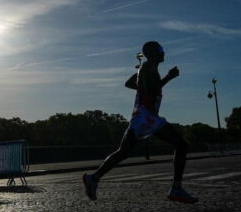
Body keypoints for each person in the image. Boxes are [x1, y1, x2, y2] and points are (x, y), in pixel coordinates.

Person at [83, 41, 198, 203]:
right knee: (181, 145)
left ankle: (93, 178)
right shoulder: (148, 68)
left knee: (122, 152)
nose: (163, 52)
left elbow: (129, 83)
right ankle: (176, 189)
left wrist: (142, 86)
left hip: (140, 116)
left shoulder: (144, 69)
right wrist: (169, 78)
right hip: (148, 117)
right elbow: (152, 90)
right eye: (160, 49)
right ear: (152, 53)